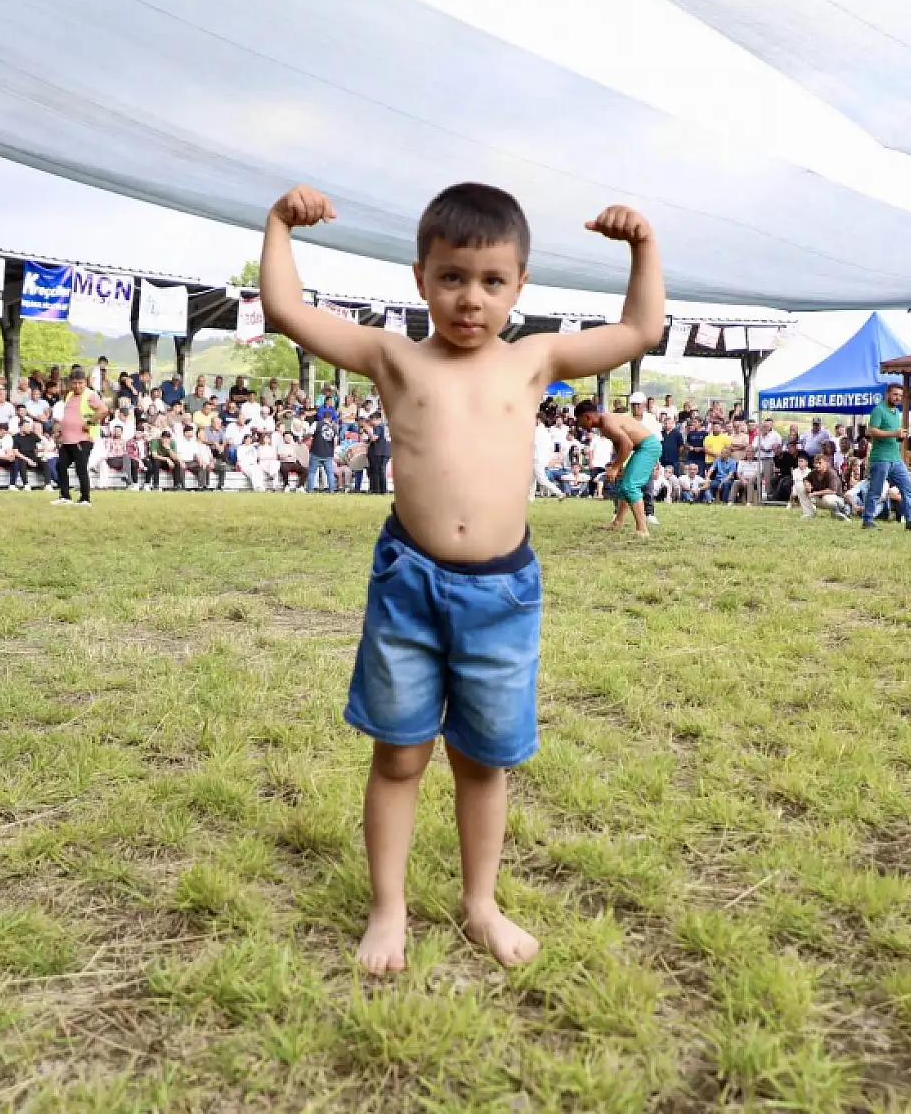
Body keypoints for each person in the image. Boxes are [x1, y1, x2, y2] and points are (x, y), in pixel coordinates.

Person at [259, 181, 662, 973]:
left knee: (483, 759)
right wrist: (279, 225)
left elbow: (640, 327)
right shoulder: (393, 356)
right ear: (419, 278)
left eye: (490, 281)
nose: (470, 298)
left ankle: (481, 903)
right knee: (399, 754)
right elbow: (286, 312)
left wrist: (642, 246)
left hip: (502, 593)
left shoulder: (535, 360)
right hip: (408, 582)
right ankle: (388, 909)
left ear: (519, 287)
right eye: (451, 277)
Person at [574, 400, 661, 535]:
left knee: (630, 486)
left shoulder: (607, 424)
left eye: (580, 422)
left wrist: (615, 467)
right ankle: (617, 522)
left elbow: (627, 444)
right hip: (641, 447)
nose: (581, 426)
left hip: (648, 447)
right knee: (622, 484)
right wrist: (618, 464)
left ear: (587, 417)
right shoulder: (604, 423)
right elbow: (619, 442)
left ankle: (642, 529)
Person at [859, 383, 911, 531]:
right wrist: (894, 434)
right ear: (887, 394)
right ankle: (867, 520)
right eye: (895, 394)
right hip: (880, 458)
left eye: (900, 395)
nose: (897, 398)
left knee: (908, 486)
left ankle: (910, 520)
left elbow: (892, 433)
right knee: (876, 490)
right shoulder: (879, 410)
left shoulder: (895, 412)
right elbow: (871, 431)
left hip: (895, 458)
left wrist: (900, 437)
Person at [51, 367, 105, 506]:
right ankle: (65, 496)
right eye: (75, 383)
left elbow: (103, 410)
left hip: (83, 439)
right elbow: (69, 415)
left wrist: (90, 422)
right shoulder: (69, 395)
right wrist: (60, 431)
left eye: (80, 383)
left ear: (85, 382)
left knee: (80, 468)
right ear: (71, 383)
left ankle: (85, 498)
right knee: (60, 466)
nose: (77, 386)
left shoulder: (90, 395)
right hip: (68, 438)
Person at [797, 452, 848, 519]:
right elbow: (805, 479)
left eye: (819, 463)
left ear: (826, 463)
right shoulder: (814, 472)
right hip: (819, 498)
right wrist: (807, 484)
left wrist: (815, 493)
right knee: (800, 486)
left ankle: (837, 512)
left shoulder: (831, 473)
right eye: (815, 463)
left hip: (836, 500)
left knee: (828, 498)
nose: (817, 465)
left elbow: (832, 491)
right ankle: (808, 513)